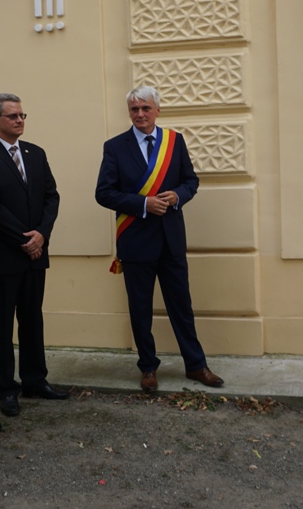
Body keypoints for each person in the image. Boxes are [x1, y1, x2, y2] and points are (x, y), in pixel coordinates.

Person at [95, 85, 224, 393]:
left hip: (171, 241)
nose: (140, 114)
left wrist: (178, 195)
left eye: (146, 108)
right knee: (140, 309)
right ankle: (148, 367)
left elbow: (191, 181)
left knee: (182, 306)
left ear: (157, 110)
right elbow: (104, 193)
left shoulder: (174, 141)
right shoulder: (115, 146)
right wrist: (143, 204)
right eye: (134, 109)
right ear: (129, 112)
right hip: (136, 241)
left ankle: (196, 365)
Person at [0, 93, 66, 418]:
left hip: (36, 254)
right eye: (13, 116)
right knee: (1, 324)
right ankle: (7, 389)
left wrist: (42, 234)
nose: (20, 120)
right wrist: (25, 238)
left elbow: (51, 196)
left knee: (32, 319)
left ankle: (35, 380)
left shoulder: (35, 153)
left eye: (22, 115)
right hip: (5, 256)